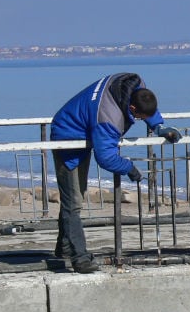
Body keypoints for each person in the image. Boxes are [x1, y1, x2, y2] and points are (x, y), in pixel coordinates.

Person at [50, 73, 181, 273]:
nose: (138, 121)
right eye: (139, 117)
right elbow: (106, 158)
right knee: (74, 201)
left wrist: (159, 126)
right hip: (67, 137)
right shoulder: (109, 117)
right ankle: (80, 259)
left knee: (74, 198)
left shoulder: (135, 86)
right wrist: (129, 168)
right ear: (132, 108)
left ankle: (65, 247)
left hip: (84, 128)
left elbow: (147, 106)